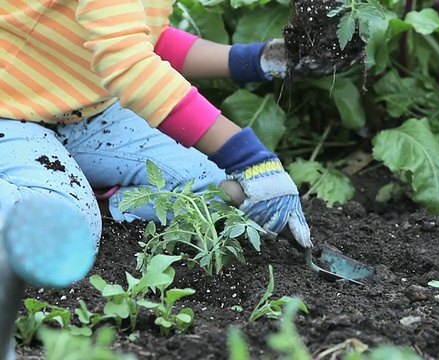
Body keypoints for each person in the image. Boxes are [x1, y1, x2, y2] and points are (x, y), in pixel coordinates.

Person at [0, 0, 347, 358]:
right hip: (7, 109)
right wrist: (249, 158)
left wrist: (258, 59)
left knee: (217, 188)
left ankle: (104, 200)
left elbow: (145, 38)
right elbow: (130, 67)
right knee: (64, 232)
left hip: (86, 109)